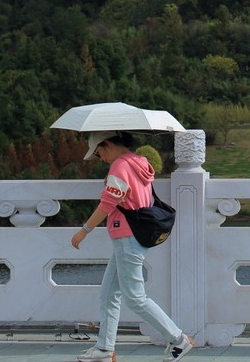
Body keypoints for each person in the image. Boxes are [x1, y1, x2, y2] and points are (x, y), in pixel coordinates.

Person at [71, 130, 194, 362]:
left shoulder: (119, 166)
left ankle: (178, 340)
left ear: (107, 145)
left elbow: (108, 204)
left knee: (135, 297)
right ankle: (104, 349)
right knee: (109, 295)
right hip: (133, 235)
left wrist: (83, 231)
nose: (100, 159)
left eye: (98, 154)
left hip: (127, 235)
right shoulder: (139, 161)